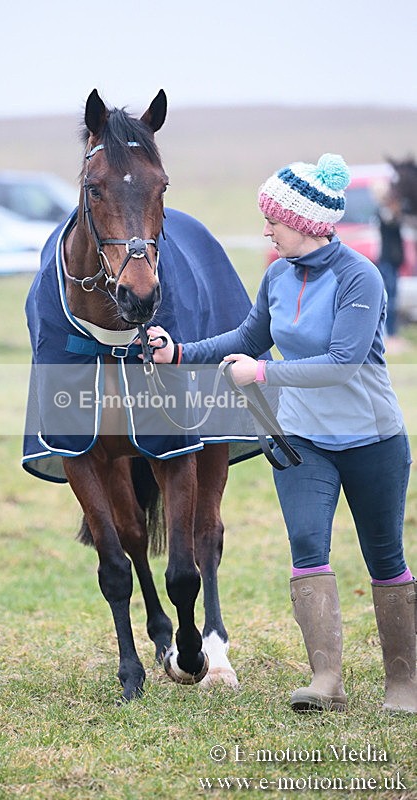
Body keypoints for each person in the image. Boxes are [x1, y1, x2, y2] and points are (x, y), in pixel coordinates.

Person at [147, 153, 416, 714]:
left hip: (373, 442)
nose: (266, 228)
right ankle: (326, 681)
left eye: (273, 219)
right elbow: (244, 337)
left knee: (386, 558)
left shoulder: (359, 277)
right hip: (302, 443)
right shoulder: (275, 274)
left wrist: (263, 372)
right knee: (307, 550)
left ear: (308, 223)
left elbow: (342, 363)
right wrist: (179, 353)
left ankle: (404, 683)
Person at [376, 188, 407, 352]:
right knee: (390, 299)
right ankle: (389, 334)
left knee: (394, 298)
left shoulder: (393, 215)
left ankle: (392, 333)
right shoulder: (384, 214)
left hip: (393, 262)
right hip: (387, 262)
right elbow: (391, 221)